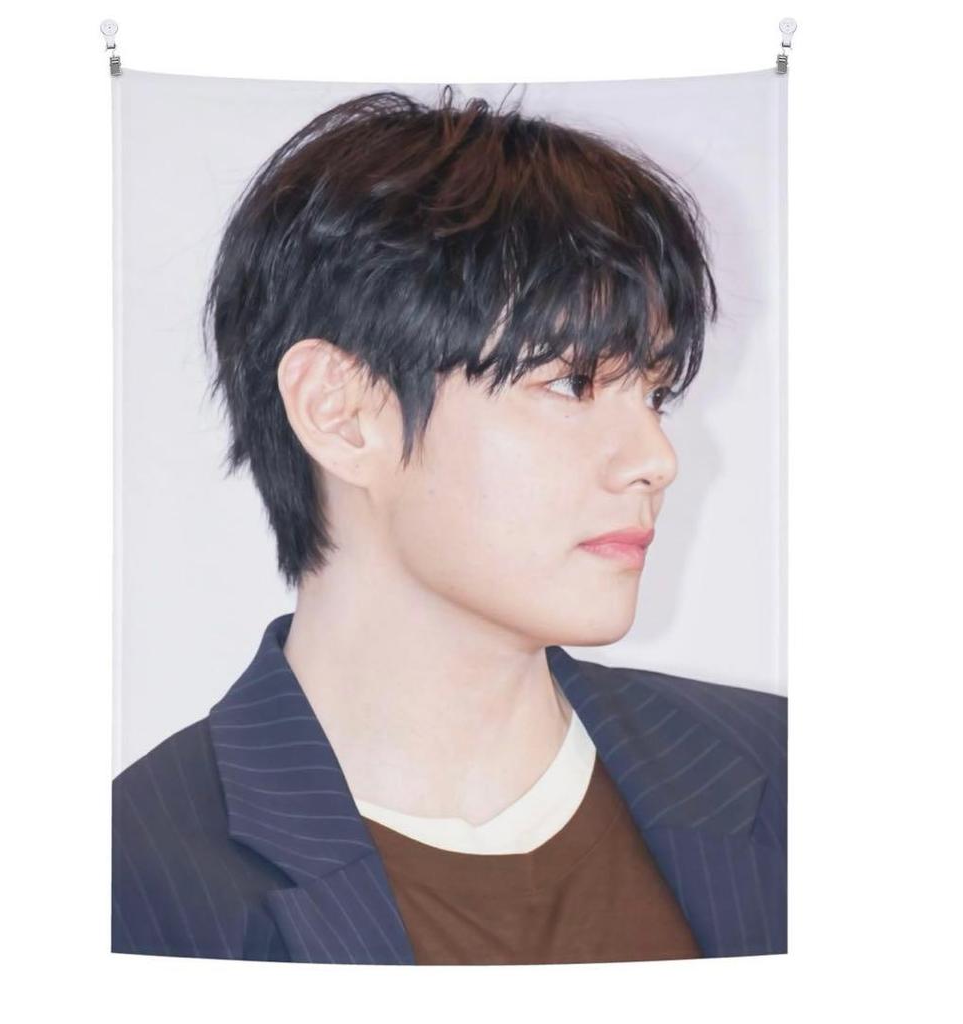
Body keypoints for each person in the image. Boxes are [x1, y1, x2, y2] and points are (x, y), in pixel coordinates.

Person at [111, 86, 787, 965]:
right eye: (572, 383)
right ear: (342, 413)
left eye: (655, 393)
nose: (656, 458)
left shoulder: (790, 778)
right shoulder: (131, 885)